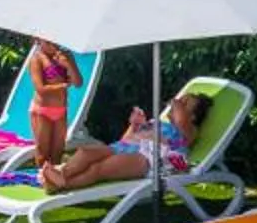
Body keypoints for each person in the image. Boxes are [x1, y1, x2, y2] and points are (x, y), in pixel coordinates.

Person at [41, 90, 204, 193]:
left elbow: (182, 122)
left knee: (98, 169)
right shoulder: (157, 122)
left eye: (185, 104)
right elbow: (125, 140)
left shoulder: (188, 132)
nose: (178, 103)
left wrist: (176, 103)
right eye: (180, 101)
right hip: (124, 148)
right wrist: (134, 126)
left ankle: (62, 182)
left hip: (147, 159)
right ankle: (61, 175)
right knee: (85, 152)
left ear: (193, 117)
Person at [26, 40, 81, 169]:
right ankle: (42, 180)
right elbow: (40, 89)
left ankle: (53, 180)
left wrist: (68, 65)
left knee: (58, 152)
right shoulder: (37, 59)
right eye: (48, 42)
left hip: (61, 110)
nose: (53, 45)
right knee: (43, 153)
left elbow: (78, 83)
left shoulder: (67, 56)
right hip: (42, 111)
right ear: (39, 40)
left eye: (55, 42)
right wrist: (64, 85)